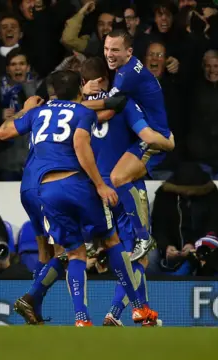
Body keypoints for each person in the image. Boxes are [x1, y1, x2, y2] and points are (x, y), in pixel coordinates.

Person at [0, 70, 158, 327]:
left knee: (73, 253)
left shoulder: (38, 113)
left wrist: (24, 110)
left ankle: (80, 318)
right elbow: (81, 143)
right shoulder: (82, 112)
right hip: (75, 184)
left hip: (44, 189)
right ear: (81, 88)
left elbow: (2, 133)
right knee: (111, 240)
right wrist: (99, 185)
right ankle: (139, 308)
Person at [83, 57, 169, 327]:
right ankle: (117, 313)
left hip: (96, 190)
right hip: (125, 188)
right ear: (107, 79)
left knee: (117, 255)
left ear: (84, 82)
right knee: (138, 256)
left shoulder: (77, 109)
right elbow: (146, 135)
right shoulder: (125, 103)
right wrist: (168, 142)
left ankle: (138, 314)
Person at [82, 29, 174, 262]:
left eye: (115, 50)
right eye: (106, 49)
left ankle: (143, 237)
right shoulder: (128, 71)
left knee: (118, 178)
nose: (109, 54)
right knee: (123, 180)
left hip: (151, 136)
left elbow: (112, 103)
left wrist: (80, 99)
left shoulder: (126, 76)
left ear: (129, 52)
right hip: (143, 136)